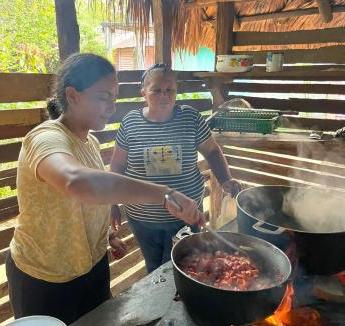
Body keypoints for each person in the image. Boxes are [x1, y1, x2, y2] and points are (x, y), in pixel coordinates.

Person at [6, 54, 203, 325]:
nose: (111, 107)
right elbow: (75, 182)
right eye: (102, 97)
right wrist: (164, 193)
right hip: (45, 277)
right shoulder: (45, 137)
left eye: (114, 97)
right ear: (73, 95)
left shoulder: (90, 143)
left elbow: (88, 200)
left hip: (92, 269)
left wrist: (105, 236)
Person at [110, 63, 241, 273]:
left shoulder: (191, 118)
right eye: (156, 90)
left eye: (170, 90)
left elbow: (213, 152)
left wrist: (226, 179)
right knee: (155, 270)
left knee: (185, 267)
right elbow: (117, 164)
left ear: (176, 91)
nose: (164, 95)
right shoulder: (130, 123)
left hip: (186, 216)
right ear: (143, 92)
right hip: (143, 219)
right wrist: (112, 202)